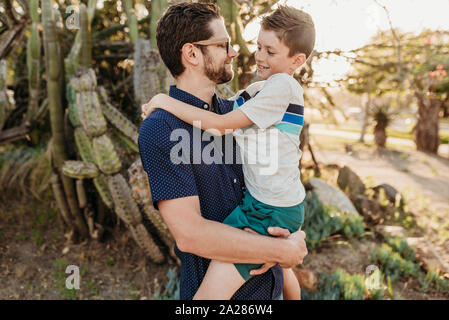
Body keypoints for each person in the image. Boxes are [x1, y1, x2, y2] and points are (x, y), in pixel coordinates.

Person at [142, 5, 315, 300]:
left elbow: (269, 201)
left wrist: (286, 247)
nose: (235, 52)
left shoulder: (237, 114)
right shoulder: (160, 129)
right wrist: (282, 250)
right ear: (192, 54)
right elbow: (191, 234)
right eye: (223, 45)